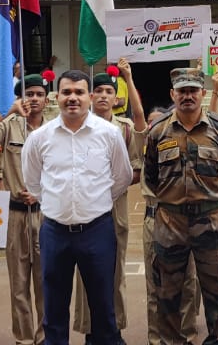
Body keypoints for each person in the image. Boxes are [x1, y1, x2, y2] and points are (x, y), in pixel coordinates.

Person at [22, 69, 133, 345]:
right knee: (54, 310)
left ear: (90, 97)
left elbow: (123, 177)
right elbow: (32, 182)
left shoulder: (109, 134)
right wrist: (55, 203)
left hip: (97, 230)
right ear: (56, 97)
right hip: (54, 232)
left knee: (103, 308)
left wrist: (96, 202)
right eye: (67, 92)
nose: (73, 98)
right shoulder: (40, 138)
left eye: (79, 92)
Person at [146, 68, 218, 345]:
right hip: (169, 223)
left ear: (202, 93)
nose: (187, 96)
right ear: (173, 94)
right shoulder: (159, 130)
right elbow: (151, 175)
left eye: (192, 91)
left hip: (209, 222)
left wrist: (214, 203)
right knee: (168, 292)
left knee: (216, 291)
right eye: (182, 91)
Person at [0, 70, 54, 345]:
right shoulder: (10, 126)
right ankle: (24, 339)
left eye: (39, 95)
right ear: (21, 98)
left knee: (46, 282)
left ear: (47, 98)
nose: (34, 99)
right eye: (28, 95)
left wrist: (42, 194)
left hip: (46, 214)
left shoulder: (54, 127)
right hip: (15, 213)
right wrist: (7, 112)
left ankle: (44, 337)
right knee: (19, 284)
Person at [72, 59, 146, 341]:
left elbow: (136, 170)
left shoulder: (124, 129)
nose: (103, 95)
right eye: (98, 91)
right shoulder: (76, 127)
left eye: (108, 91)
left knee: (115, 273)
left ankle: (113, 328)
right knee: (85, 274)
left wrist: (109, 185)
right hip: (83, 212)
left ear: (116, 98)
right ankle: (91, 330)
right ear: (90, 96)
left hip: (115, 211)